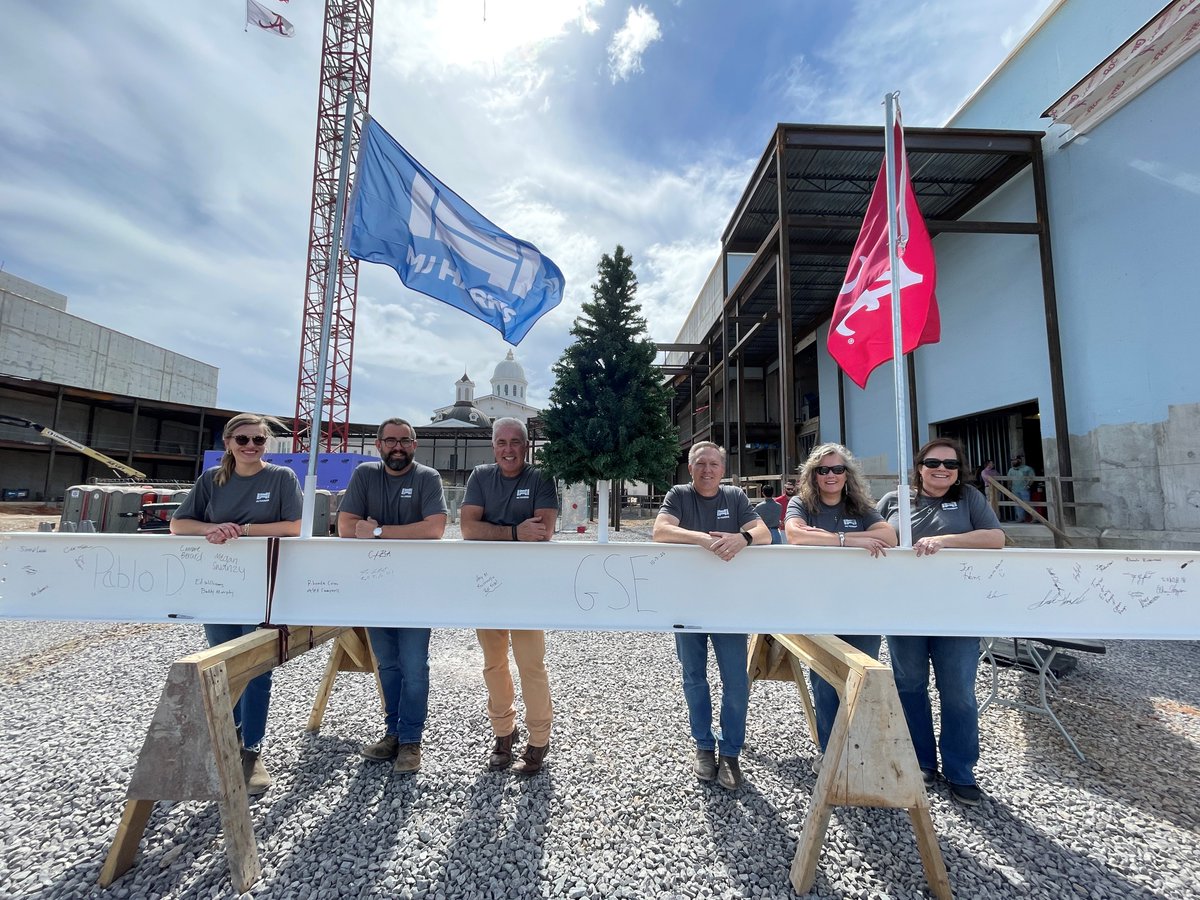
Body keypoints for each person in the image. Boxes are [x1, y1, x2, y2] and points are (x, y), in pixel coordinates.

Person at [169, 413, 303, 796]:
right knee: (222, 665)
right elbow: (180, 524)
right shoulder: (211, 481)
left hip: (263, 588)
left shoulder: (281, 479)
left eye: (258, 440)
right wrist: (214, 529)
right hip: (219, 588)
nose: (250, 447)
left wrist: (241, 530)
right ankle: (226, 740)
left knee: (257, 667)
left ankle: (251, 749)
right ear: (228, 442)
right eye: (243, 439)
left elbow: (293, 526)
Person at [877, 436, 1004, 806]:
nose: (942, 470)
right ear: (920, 467)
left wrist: (947, 541)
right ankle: (921, 761)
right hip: (905, 611)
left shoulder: (970, 499)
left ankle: (961, 771)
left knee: (959, 693)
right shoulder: (894, 500)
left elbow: (996, 537)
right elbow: (875, 534)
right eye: (933, 463)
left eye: (950, 465)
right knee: (909, 686)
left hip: (957, 613)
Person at [652, 441, 771, 790]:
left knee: (735, 680)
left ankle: (731, 751)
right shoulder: (679, 495)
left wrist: (743, 538)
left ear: (723, 468)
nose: (707, 470)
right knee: (694, 677)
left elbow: (763, 533)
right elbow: (660, 530)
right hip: (687, 605)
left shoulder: (734, 497)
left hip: (729, 607)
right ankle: (703, 745)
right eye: (700, 464)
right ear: (690, 469)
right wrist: (702, 540)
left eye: (714, 464)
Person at [338, 418, 447, 774]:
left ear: (414, 445)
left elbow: (434, 529)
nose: (397, 447)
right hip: (374, 589)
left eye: (404, 441)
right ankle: (393, 733)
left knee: (414, 666)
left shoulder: (427, 478)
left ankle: (412, 740)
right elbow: (345, 527)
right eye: (390, 441)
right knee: (388, 665)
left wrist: (379, 530)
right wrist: (399, 532)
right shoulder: (365, 476)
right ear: (378, 446)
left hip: (418, 590)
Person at [784, 442, 896, 762]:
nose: (831, 475)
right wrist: (848, 540)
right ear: (813, 475)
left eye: (837, 469)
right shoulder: (801, 504)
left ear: (847, 475)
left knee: (861, 680)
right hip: (819, 607)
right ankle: (829, 753)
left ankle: (857, 750)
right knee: (823, 681)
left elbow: (888, 537)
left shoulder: (859, 507)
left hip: (861, 609)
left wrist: (827, 539)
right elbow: (795, 534)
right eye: (823, 470)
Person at [460, 417, 558, 776]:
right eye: (501, 443)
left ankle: (538, 740)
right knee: (494, 663)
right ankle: (504, 732)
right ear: (493, 446)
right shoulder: (480, 477)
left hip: (528, 587)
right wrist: (515, 531)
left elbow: (544, 530)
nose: (508, 449)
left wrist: (496, 530)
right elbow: (468, 528)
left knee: (531, 664)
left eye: (515, 442)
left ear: (526, 446)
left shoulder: (539, 478)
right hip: (487, 585)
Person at [1006, 454, 1035, 522]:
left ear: (1019, 460)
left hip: (1024, 489)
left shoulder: (1027, 468)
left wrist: (1028, 485)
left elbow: (1032, 477)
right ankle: (1020, 518)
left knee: (1027, 503)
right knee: (1017, 504)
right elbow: (1009, 480)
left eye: (1015, 460)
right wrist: (1009, 488)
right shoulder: (1011, 470)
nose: (1013, 462)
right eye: (1012, 460)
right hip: (1015, 489)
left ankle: (1035, 517)